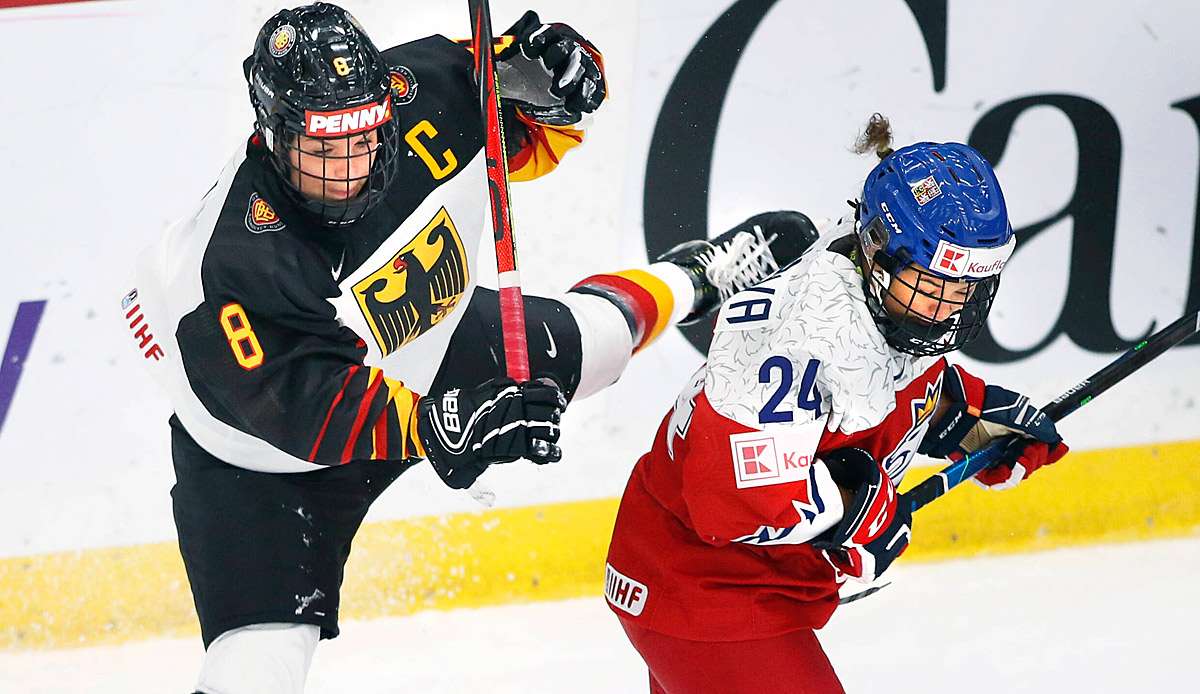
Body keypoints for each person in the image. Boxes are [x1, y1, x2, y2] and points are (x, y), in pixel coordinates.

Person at [122, 3, 819, 692]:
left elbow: (527, 115)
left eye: (361, 140)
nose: (347, 172)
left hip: (431, 347)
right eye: (321, 149)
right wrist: (439, 424)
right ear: (272, 133)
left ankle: (696, 273)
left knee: (598, 348)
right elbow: (310, 407)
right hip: (260, 465)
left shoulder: (423, 87)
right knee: (255, 671)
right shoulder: (233, 269)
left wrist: (555, 85)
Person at [603, 115, 1070, 693]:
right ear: (879, 251)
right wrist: (859, 511)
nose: (951, 304)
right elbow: (730, 499)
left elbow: (879, 385)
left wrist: (962, 418)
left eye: (968, 285)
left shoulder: (885, 298)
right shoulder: (804, 336)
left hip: (729, 587)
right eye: (934, 282)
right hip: (702, 586)